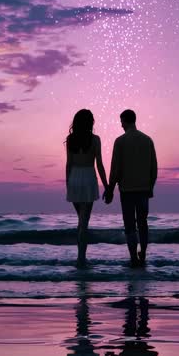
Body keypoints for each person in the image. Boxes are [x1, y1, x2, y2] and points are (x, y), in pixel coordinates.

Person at [103, 109, 158, 267]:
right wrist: (151, 186)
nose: (120, 125)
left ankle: (133, 256)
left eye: (121, 121)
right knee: (143, 223)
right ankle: (144, 254)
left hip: (126, 190)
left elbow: (115, 169)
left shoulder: (120, 141)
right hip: (143, 189)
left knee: (129, 224)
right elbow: (153, 167)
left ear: (125, 121)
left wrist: (110, 189)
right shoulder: (147, 140)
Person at [65, 108, 108, 268]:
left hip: (74, 178)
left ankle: (80, 258)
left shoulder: (71, 139)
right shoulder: (95, 139)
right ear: (90, 122)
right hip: (89, 178)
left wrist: (67, 184)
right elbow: (100, 165)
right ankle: (81, 259)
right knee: (84, 223)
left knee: (81, 221)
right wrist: (107, 185)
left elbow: (69, 164)